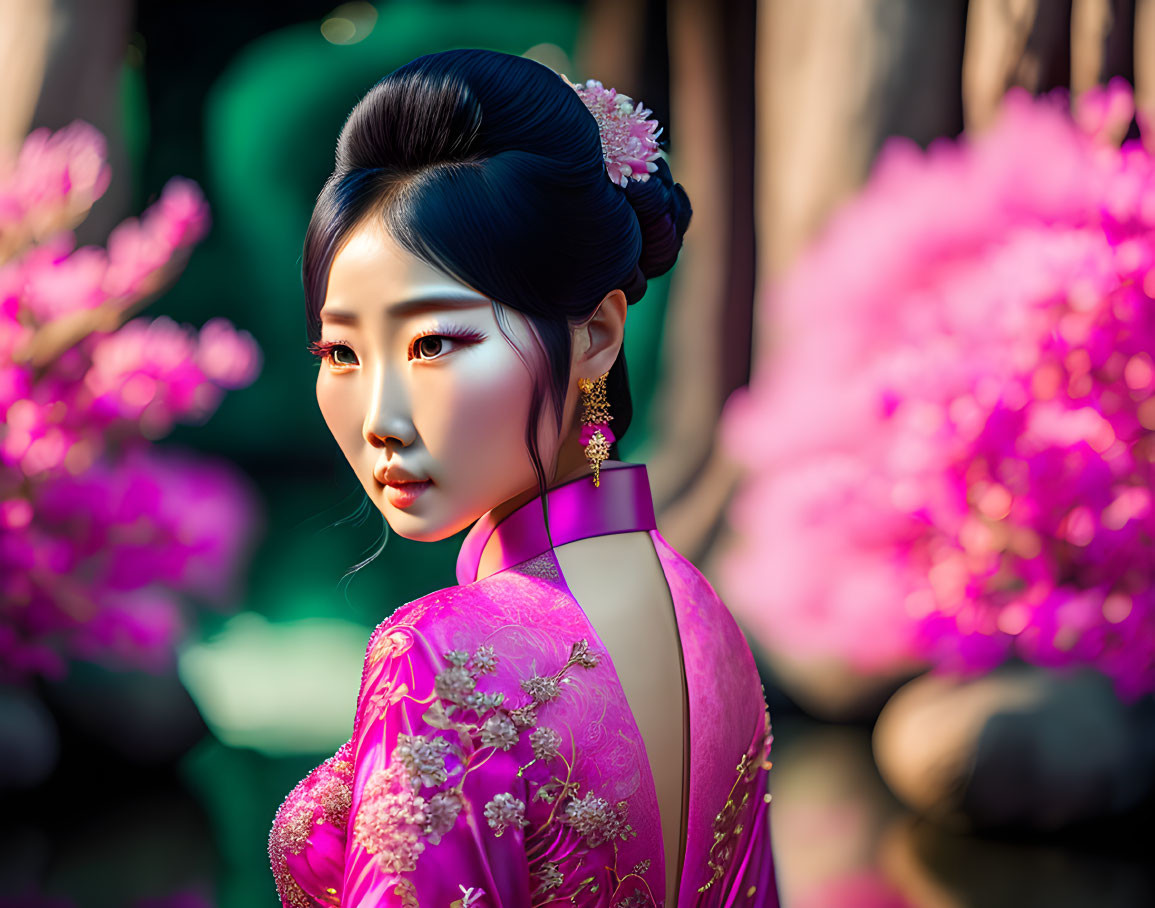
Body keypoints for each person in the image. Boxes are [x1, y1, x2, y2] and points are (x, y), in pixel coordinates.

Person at [267, 48, 778, 907]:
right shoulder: (704, 611)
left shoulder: (438, 651)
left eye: (435, 343)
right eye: (342, 353)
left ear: (595, 336)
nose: (380, 417)